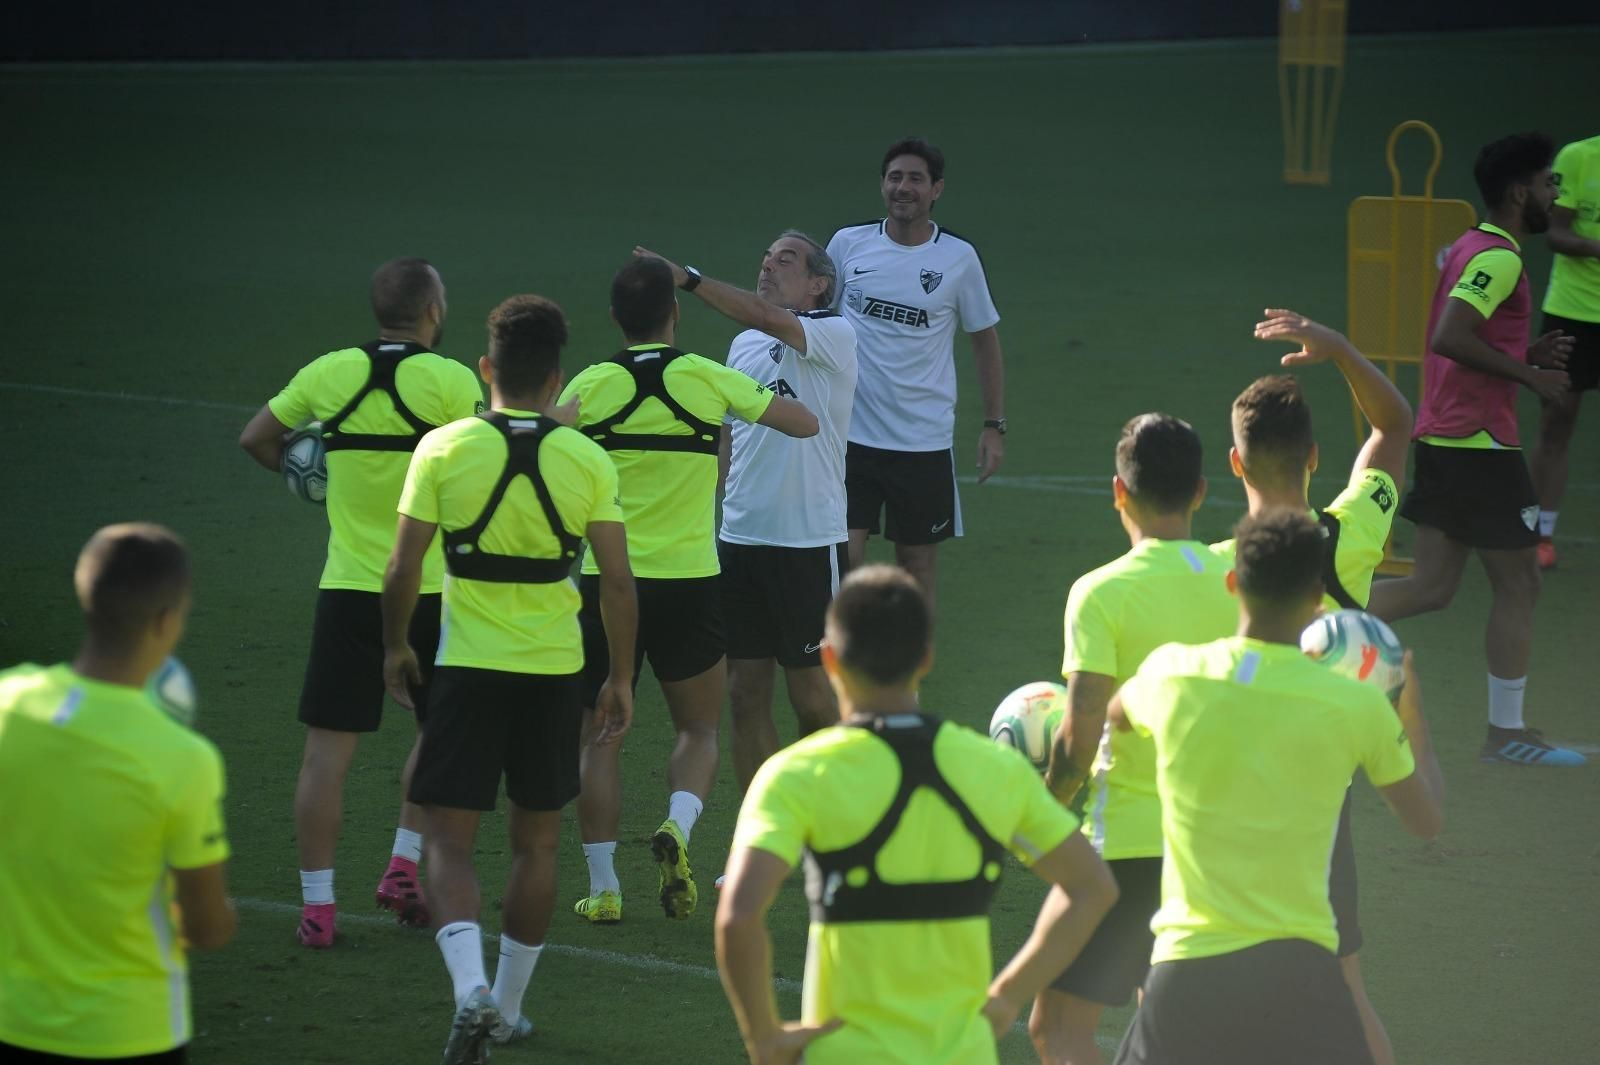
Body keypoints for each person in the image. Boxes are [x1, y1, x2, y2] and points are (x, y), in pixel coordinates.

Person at [717, 564, 1117, 1065]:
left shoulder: (794, 774)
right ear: (925, 659)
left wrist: (764, 1038)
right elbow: (1093, 888)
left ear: (830, 660)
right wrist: (1008, 996)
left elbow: (737, 918)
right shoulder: (995, 769)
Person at [380, 294, 637, 1064]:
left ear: (485, 368)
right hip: (554, 676)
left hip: (465, 670)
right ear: (557, 376)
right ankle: (512, 1006)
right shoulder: (586, 457)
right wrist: (619, 676)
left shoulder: (444, 448)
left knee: (447, 841)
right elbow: (618, 582)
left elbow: (401, 565)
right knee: (538, 845)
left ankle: (469, 992)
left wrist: (395, 644)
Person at [1110, 509, 1445, 1065]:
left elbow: (1116, 715)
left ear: (1233, 583)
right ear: (1318, 596)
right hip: (1302, 976)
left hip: (1188, 970)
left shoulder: (1172, 674)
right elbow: (1426, 821)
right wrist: (1414, 723)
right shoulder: (1356, 704)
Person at [561, 257, 818, 925]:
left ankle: (605, 886)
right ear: (673, 315)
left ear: (617, 318)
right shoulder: (705, 377)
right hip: (692, 583)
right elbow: (802, 423)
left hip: (603, 583)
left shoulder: (594, 383)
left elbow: (545, 441)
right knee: (700, 727)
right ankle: (677, 824)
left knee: (601, 734)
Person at [238, 256, 483, 945]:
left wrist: (306, 477)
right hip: (435, 590)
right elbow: (488, 456)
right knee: (437, 736)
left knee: (325, 754)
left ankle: (316, 908)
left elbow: (256, 437)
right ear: (432, 310)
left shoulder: (329, 372)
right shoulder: (450, 379)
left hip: (347, 588)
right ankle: (402, 866)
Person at [1211, 310, 1414, 1065]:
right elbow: (1395, 428)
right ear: (1315, 455)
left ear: (1234, 464)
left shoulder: (1206, 566)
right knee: (1344, 990)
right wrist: (1342, 352)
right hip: (1322, 814)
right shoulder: (1351, 535)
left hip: (1219, 813)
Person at [1366, 133, 1586, 769]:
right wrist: (1531, 377)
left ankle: (1315, 634)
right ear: (1520, 193)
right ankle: (1505, 734)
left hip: (1449, 436)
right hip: (1479, 443)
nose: (1555, 194)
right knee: (1519, 582)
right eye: (1549, 184)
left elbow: (1467, 339)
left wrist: (1521, 356)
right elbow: (1450, 337)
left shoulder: (1472, 243)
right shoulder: (1502, 260)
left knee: (1432, 586)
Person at [1031, 414, 1237, 1065]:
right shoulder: (1238, 581)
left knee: (1056, 1026)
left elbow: (1081, 725)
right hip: (1217, 846)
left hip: (1126, 846)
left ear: (1118, 491)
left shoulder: (1100, 593)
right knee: (1170, 1032)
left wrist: (1044, 811)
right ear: (1202, 491)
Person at [0, 524, 235, 1063]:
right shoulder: (184, 759)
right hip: (133, 1030)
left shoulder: (9, 703)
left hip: (15, 1017)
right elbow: (208, 927)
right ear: (166, 619)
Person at [634, 234, 857, 798]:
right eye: (764, 257)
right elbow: (730, 431)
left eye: (785, 260)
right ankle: (768, 830)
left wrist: (686, 277)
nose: (767, 265)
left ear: (818, 284)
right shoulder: (743, 348)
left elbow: (765, 313)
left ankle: (829, 810)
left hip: (809, 543)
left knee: (812, 696)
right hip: (740, 542)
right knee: (744, 693)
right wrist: (717, 496)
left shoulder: (835, 333)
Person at [826, 136, 1006, 610]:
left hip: (921, 440)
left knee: (917, 564)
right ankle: (849, 668)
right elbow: (815, 321)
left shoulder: (958, 258)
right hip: (850, 435)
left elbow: (984, 339)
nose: (903, 187)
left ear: (936, 189)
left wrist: (993, 425)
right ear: (883, 185)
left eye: (915, 179)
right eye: (894, 177)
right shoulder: (848, 245)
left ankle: (912, 672)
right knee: (846, 558)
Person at [1530, 132, 1600, 568]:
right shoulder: (1579, 158)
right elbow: (1555, 234)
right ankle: (1541, 535)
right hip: (1573, 312)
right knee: (1558, 422)